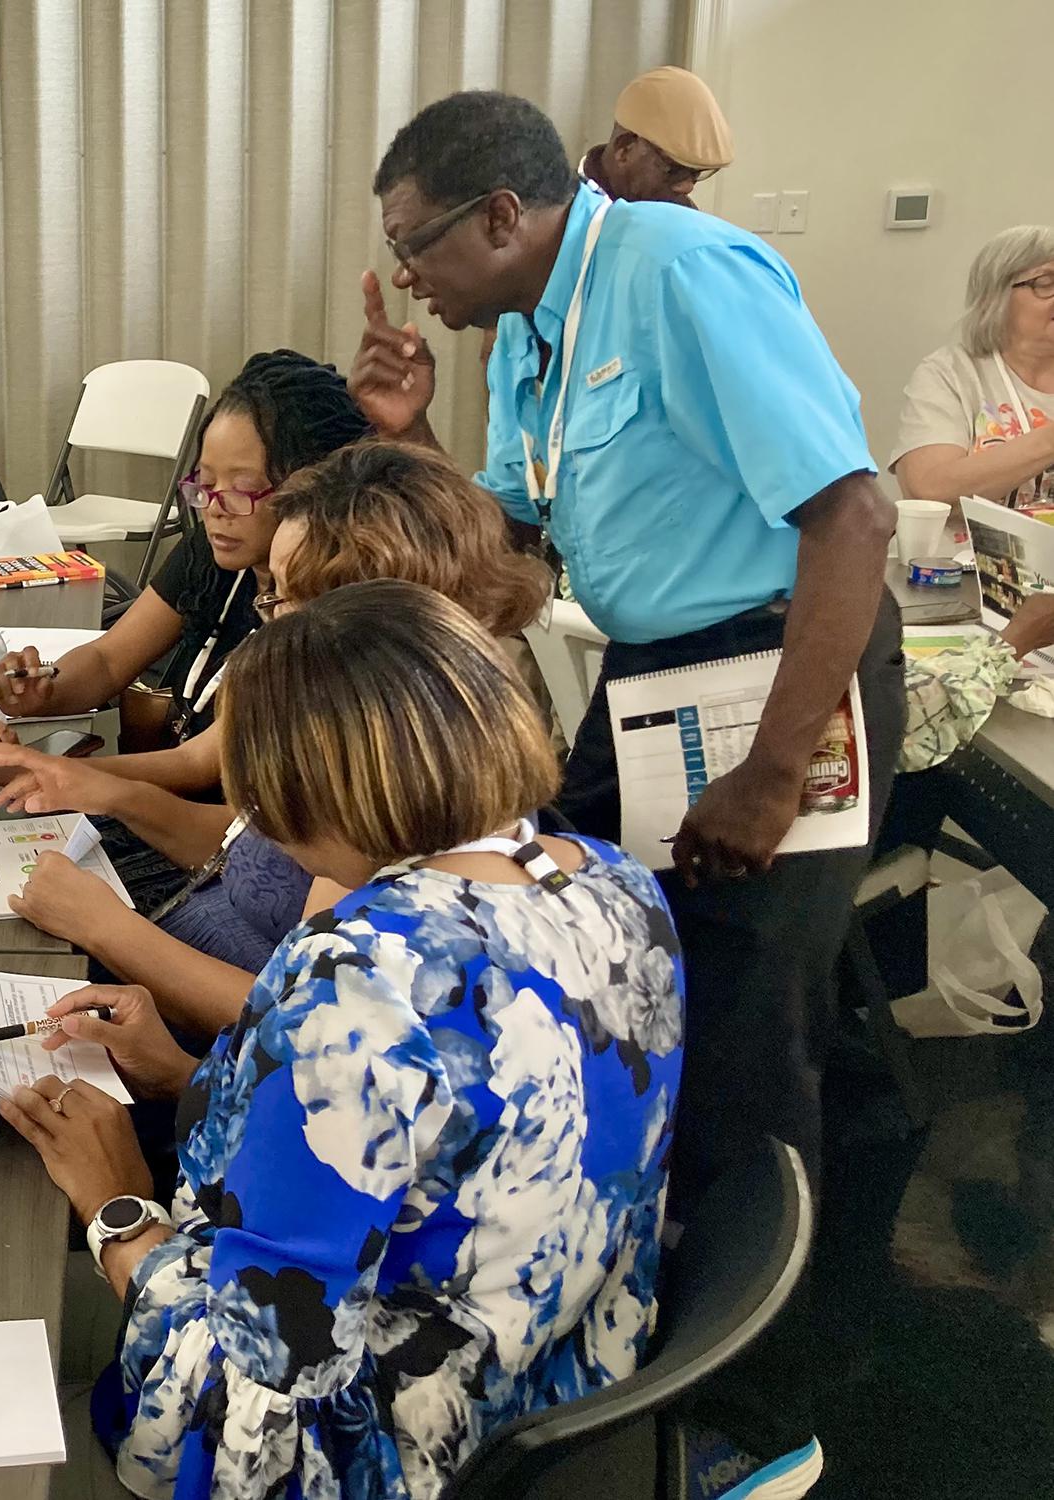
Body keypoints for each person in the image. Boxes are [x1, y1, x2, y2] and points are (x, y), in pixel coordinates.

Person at [354, 90, 905, 1494]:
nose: (409, 273)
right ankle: (604, 1277)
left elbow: (853, 514)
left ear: (500, 215)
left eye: (419, 244)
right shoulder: (531, 326)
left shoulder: (675, 272)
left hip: (784, 669)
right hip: (658, 674)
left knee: (741, 1031)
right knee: (596, 956)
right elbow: (514, 552)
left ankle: (759, 1417)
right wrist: (409, 433)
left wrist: (775, 773)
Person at [2, 581, 682, 1500]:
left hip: (390, 1455)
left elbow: (256, 1407)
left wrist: (118, 1212)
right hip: (563, 1396)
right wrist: (200, 1077)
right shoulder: (615, 884)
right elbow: (441, 1141)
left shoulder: (351, 979)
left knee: (3, 1370)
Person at [0, 441, 552, 1035]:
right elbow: (248, 848)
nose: (266, 616)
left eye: (284, 595)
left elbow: (307, 1021)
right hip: (177, 959)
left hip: (219, 1026)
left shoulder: (395, 775)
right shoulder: (368, 717)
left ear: (364, 614)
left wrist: (105, 927)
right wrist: (107, 792)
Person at [0, 351, 368, 906]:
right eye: (204, 485)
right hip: (182, 827)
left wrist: (60, 775)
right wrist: (37, 692)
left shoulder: (331, 621)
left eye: (241, 489)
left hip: (217, 848)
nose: (215, 510)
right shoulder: (218, 554)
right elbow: (108, 660)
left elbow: (203, 765)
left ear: (310, 493)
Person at [892, 225, 1054, 510]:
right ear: (996, 296)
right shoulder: (950, 373)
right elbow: (928, 489)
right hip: (960, 553)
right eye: (1046, 283)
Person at [579, 65, 733, 208]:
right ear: (625, 149)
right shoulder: (567, 212)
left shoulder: (679, 211)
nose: (688, 187)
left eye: (695, 174)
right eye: (675, 170)